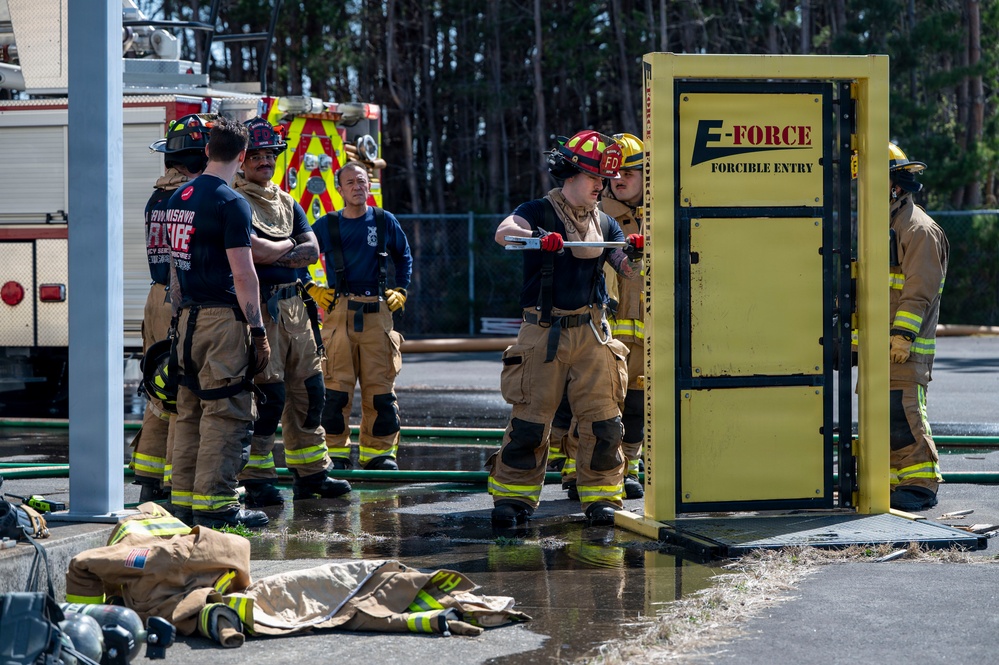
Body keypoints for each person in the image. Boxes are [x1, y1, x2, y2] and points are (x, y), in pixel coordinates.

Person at [489, 130, 643, 528]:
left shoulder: (605, 222)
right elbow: (504, 232)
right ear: (572, 175)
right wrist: (538, 239)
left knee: (604, 420)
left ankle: (602, 497)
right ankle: (514, 498)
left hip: (593, 332)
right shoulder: (537, 211)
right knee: (530, 419)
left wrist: (637, 252)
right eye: (595, 179)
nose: (602, 187)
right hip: (544, 331)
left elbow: (626, 267)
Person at [233, 117, 352, 506]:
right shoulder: (235, 201)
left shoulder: (286, 201)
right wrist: (287, 250)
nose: (264, 161)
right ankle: (257, 479)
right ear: (241, 160)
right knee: (270, 396)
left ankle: (313, 473)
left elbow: (311, 251)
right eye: (256, 155)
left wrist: (274, 251)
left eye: (270, 155)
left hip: (295, 306)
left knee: (310, 391)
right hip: (261, 307)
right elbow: (252, 257)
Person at [164, 115, 271, 529]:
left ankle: (184, 501)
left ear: (207, 150)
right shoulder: (231, 203)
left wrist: (177, 318)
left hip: (187, 320)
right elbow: (244, 275)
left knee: (189, 410)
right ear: (242, 156)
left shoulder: (178, 198)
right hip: (221, 322)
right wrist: (258, 332)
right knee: (225, 412)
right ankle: (217, 505)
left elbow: (175, 268)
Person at [553, 133, 648, 502]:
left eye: (630, 172)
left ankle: (628, 466)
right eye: (614, 174)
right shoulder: (593, 215)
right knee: (589, 400)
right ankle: (578, 466)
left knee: (638, 403)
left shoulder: (659, 218)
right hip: (599, 327)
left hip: (646, 335)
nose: (619, 180)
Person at [308, 161, 413, 471]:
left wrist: (402, 290)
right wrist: (311, 290)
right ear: (339, 189)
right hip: (338, 312)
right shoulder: (327, 225)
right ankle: (336, 455)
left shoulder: (384, 221)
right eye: (350, 182)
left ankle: (378, 455)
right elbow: (297, 255)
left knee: (380, 390)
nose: (357, 186)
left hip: (378, 313)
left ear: (369, 186)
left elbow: (404, 257)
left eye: (362, 181)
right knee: (336, 391)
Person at [130, 114, 211, 503]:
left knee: (157, 388)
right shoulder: (190, 199)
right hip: (182, 301)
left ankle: (149, 477)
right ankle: (177, 483)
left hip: (156, 298)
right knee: (183, 393)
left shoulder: (157, 196)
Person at [886, 142, 949, 511]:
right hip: (886, 348)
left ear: (894, 186)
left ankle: (921, 485)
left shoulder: (918, 230)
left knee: (905, 414)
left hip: (904, 349)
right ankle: (896, 484)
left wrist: (902, 335)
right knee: (888, 419)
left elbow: (919, 289)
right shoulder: (889, 225)